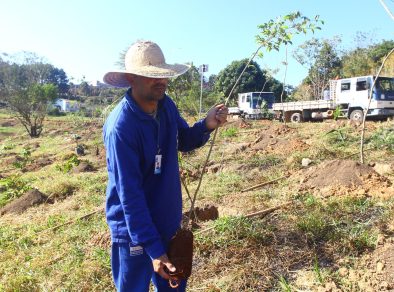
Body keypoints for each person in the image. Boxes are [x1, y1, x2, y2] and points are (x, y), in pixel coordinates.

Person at [102, 40, 228, 292]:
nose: (161, 82)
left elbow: (183, 139)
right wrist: (154, 250)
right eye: (151, 76)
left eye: (163, 76)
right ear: (131, 78)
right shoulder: (122, 128)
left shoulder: (166, 105)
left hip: (167, 223)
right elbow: (131, 196)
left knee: (173, 287)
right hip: (132, 232)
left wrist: (207, 124)